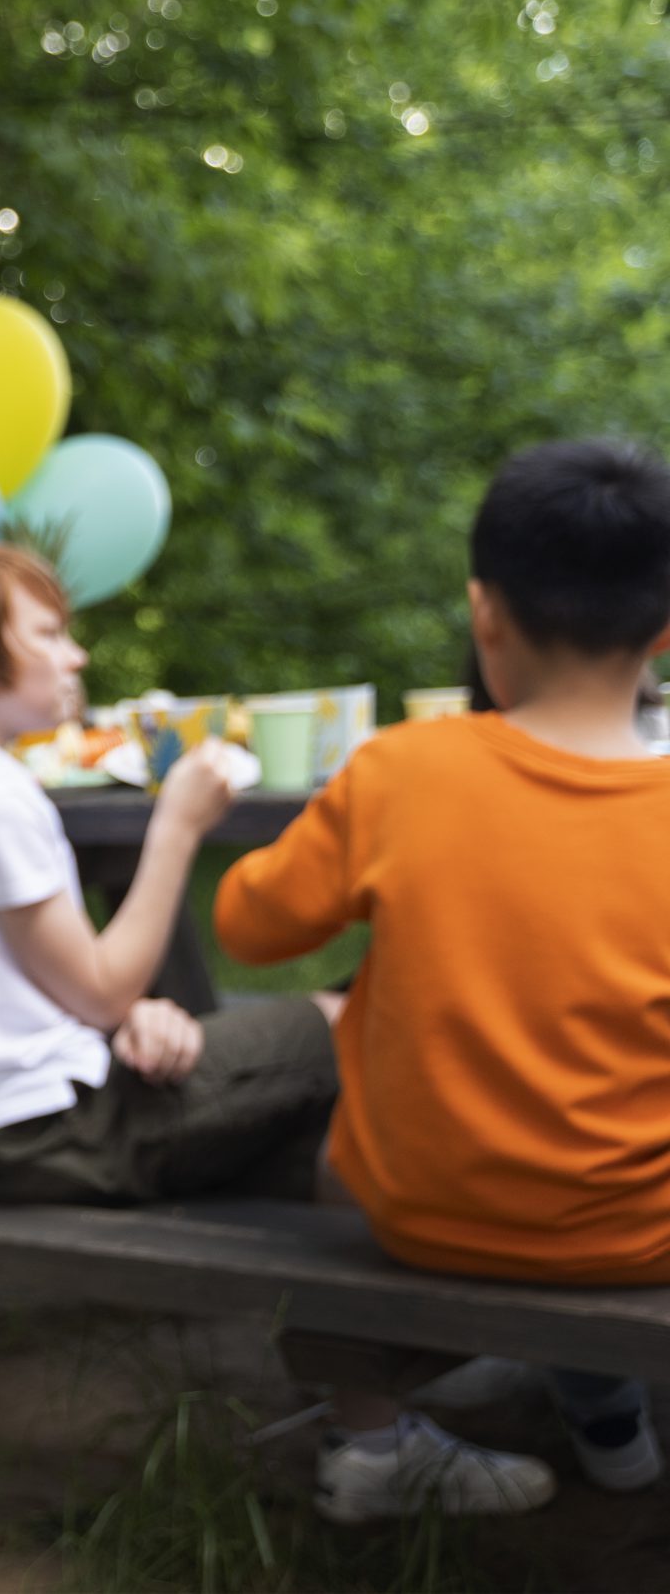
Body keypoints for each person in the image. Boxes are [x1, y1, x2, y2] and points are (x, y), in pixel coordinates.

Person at [219, 437, 670, 1520]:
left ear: (485, 614)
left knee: (320, 1069)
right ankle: (604, 1404)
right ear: (662, 634)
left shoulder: (399, 774)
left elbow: (244, 925)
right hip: (642, 1228)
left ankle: (382, 1434)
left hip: (422, 1215)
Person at [0, 544, 342, 1206]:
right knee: (348, 1014)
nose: (75, 656)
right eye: (50, 634)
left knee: (293, 1133)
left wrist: (133, 1016)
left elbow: (54, 985)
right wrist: (177, 825)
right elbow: (104, 990)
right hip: (49, 1133)